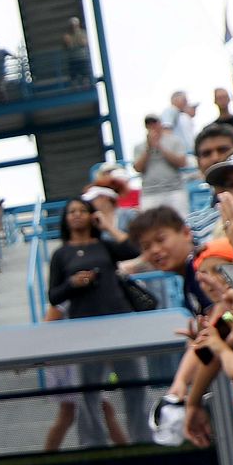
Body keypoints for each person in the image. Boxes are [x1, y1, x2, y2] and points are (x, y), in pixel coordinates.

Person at [46, 197, 148, 447]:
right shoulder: (61, 254)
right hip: (85, 328)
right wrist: (73, 283)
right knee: (88, 392)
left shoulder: (105, 245)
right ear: (66, 219)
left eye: (83, 211)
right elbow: (54, 295)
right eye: (72, 211)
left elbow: (134, 250)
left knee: (135, 385)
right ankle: (92, 444)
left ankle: (143, 439)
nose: (78, 215)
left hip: (119, 322)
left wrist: (107, 227)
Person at [133, 115, 190, 216]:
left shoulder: (174, 141)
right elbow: (137, 168)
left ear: (160, 124)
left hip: (174, 190)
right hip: (150, 193)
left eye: (154, 123)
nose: (152, 126)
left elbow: (182, 162)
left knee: (182, 223)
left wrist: (160, 147)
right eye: (149, 124)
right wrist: (148, 148)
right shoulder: (139, 147)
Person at [62, 17, 89, 85]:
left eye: (74, 25)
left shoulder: (83, 33)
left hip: (82, 58)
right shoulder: (67, 35)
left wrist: (73, 42)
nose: (73, 27)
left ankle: (86, 87)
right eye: (72, 25)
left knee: (85, 77)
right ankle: (75, 88)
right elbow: (67, 45)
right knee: (73, 78)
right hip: (73, 59)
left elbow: (84, 43)